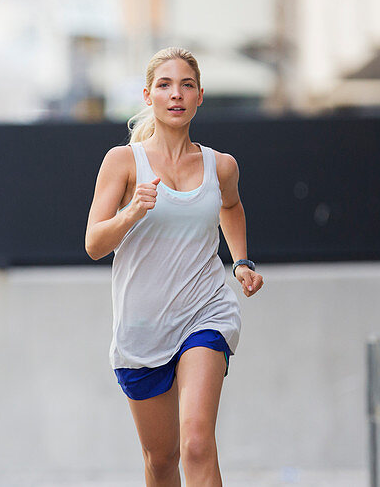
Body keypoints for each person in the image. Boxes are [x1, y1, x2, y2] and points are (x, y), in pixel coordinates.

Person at [85, 46, 264, 486]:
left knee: (197, 443)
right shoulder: (123, 162)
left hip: (205, 313)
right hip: (141, 328)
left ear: (200, 96)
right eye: (165, 85)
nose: (176, 94)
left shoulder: (220, 165)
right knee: (161, 459)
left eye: (186, 85)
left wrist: (240, 260)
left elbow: (232, 206)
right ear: (148, 95)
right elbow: (93, 244)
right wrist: (130, 213)